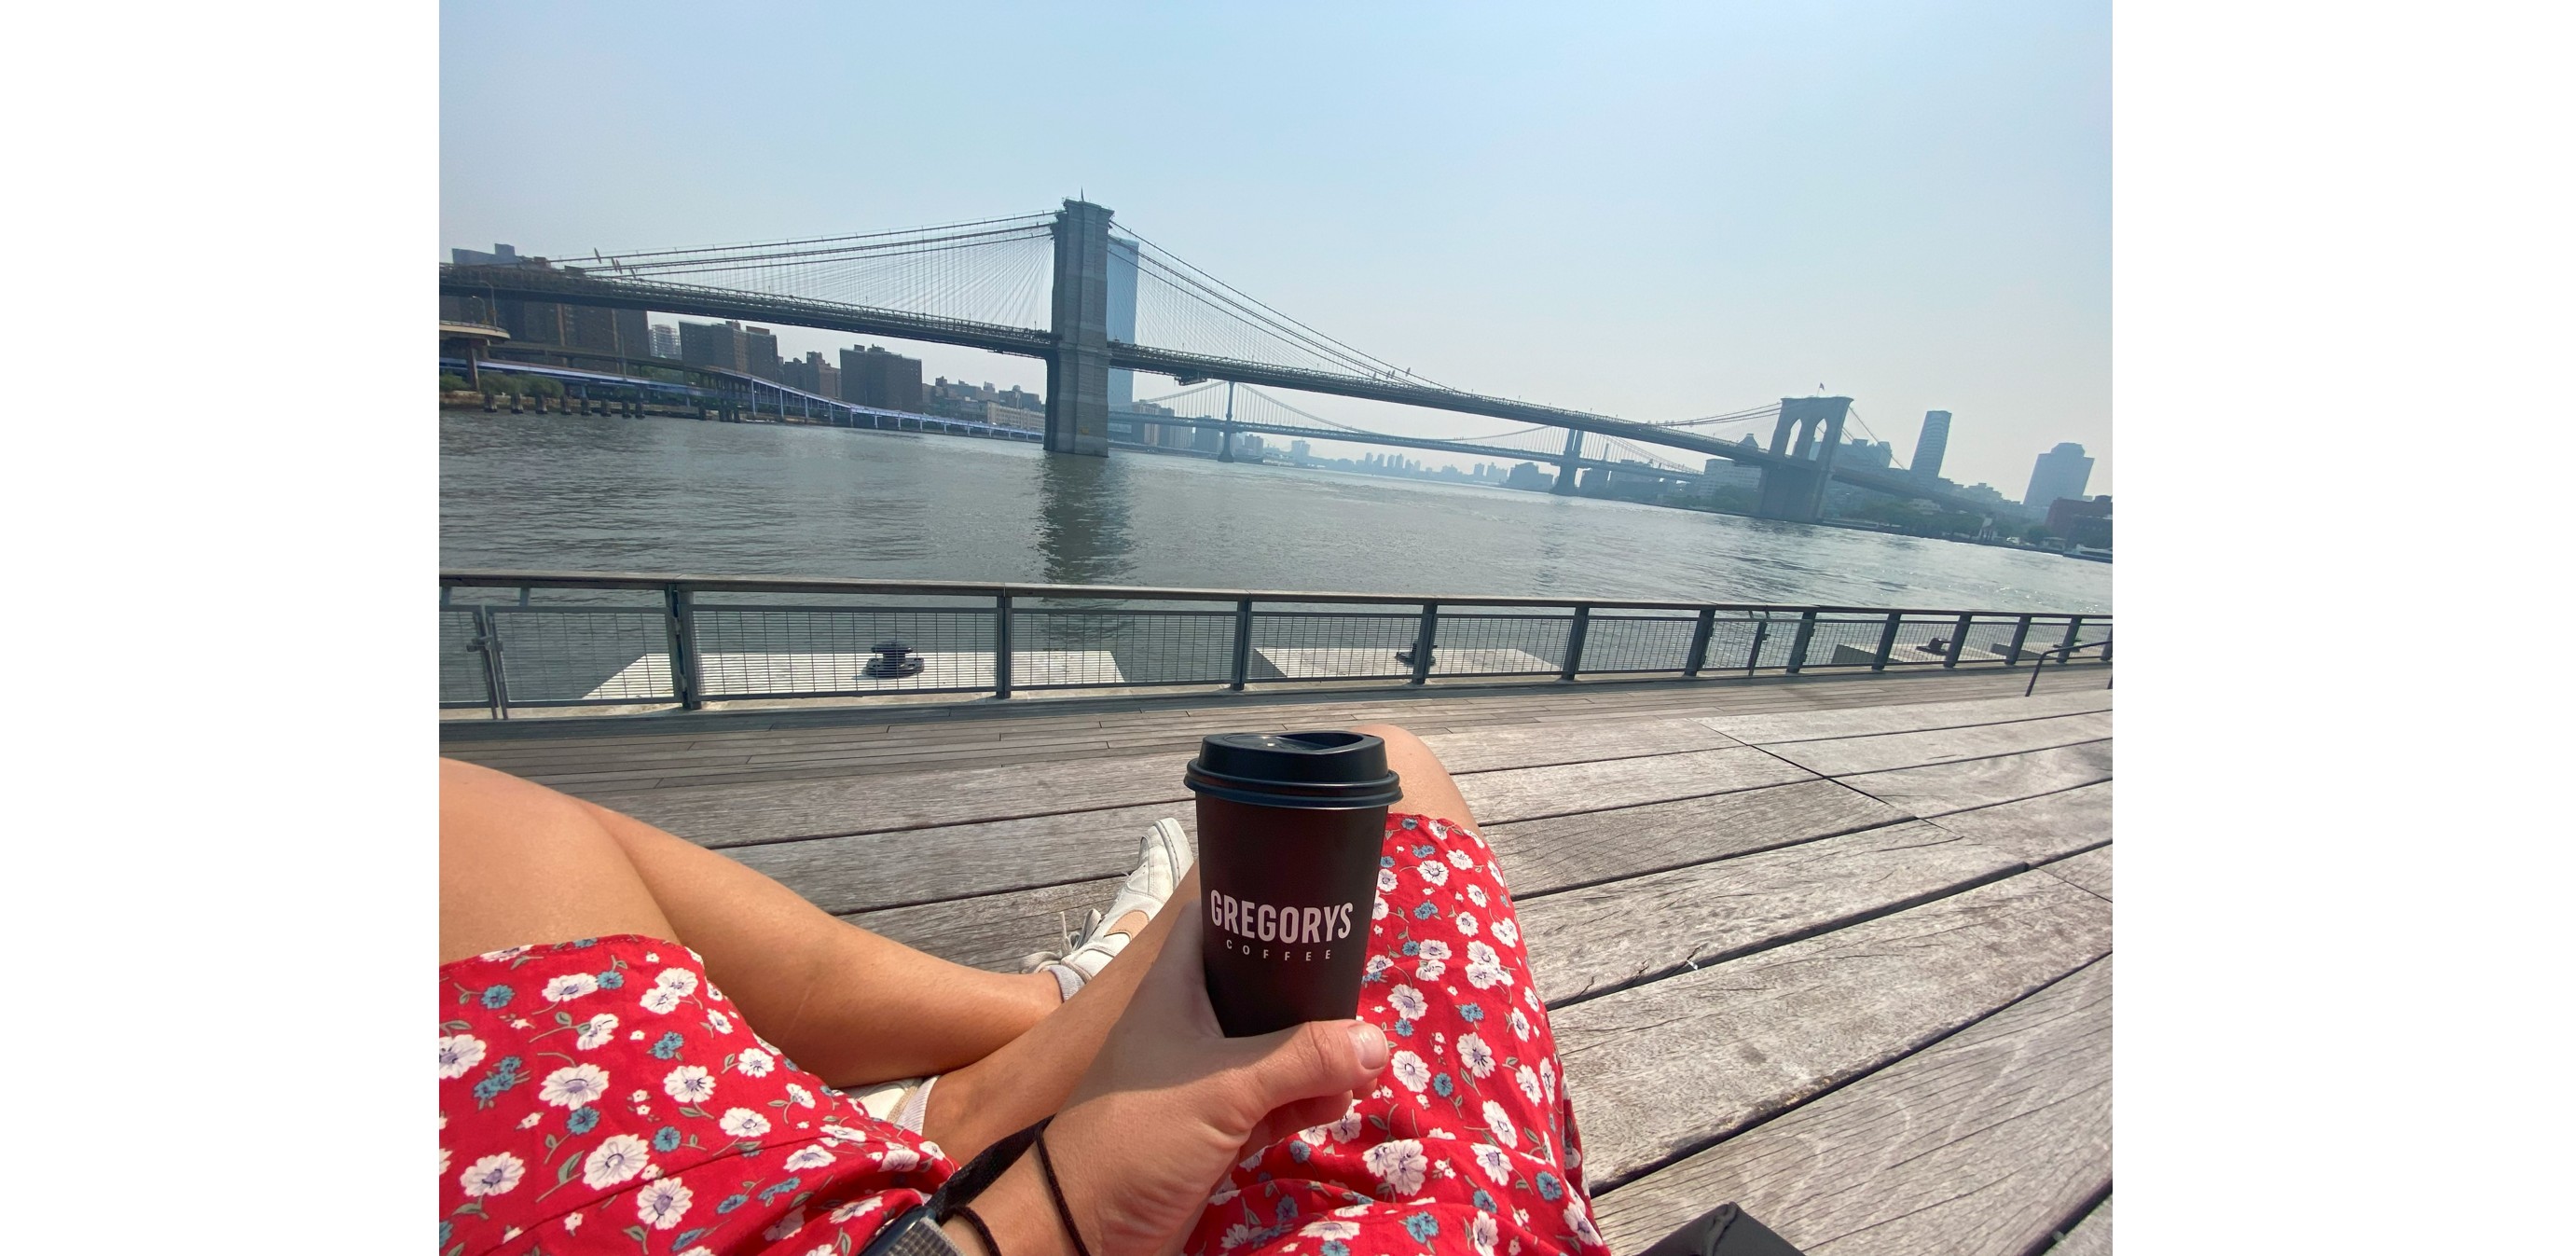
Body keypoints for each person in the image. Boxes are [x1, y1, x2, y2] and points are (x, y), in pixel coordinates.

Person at [440, 725, 1610, 1256]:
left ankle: (971, 1098)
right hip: (1451, 1208)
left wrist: (1051, 1213)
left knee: (468, 823)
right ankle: (1056, 1016)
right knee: (1383, 765)